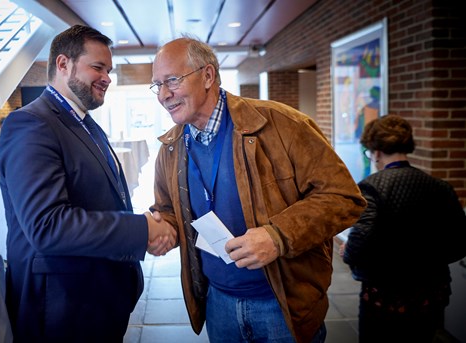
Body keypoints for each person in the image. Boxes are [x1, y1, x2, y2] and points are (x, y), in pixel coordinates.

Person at [148, 36, 367, 343]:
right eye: (156, 85)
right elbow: (169, 210)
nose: (163, 94)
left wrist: (278, 236)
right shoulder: (170, 148)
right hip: (218, 303)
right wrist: (160, 229)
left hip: (282, 304)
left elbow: (344, 197)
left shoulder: (282, 123)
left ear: (208, 75)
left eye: (172, 80)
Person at [0, 25, 176, 342]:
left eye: (108, 69)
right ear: (63, 64)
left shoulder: (86, 124)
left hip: (95, 300)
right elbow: (47, 226)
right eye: (98, 67)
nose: (107, 77)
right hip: (61, 311)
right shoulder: (30, 124)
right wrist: (143, 230)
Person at [341, 114, 466, 343]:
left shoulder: (371, 187)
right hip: (431, 291)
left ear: (376, 152)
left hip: (386, 292)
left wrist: (347, 252)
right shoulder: (440, 187)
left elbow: (359, 241)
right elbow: (459, 243)